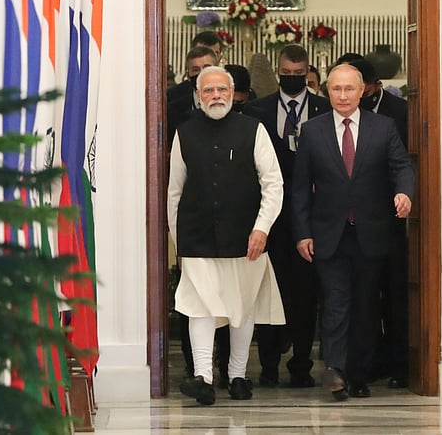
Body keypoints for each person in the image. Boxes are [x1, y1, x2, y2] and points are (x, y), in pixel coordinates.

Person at [291, 63, 414, 401]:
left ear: (362, 91)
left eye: (349, 89)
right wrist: (302, 233)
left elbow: (401, 166)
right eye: (336, 89)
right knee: (335, 303)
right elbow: (300, 188)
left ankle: (358, 374)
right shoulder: (312, 131)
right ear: (326, 91)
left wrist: (404, 193)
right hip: (328, 234)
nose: (343, 95)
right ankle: (335, 370)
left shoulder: (383, 127)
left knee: (365, 306)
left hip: (371, 232)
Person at [169, 66, 286, 405]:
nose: (216, 95)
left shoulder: (254, 129)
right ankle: (203, 377)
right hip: (197, 236)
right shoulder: (184, 133)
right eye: (208, 90)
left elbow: (273, 184)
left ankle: (237, 375)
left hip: (246, 237)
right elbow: (174, 191)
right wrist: (178, 241)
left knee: (241, 307)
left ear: (233, 94)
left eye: (222, 89)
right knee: (199, 306)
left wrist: (262, 228)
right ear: (198, 96)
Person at [244, 44, 330, 388]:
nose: (292, 79)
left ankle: (301, 364)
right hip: (270, 220)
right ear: (278, 72)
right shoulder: (257, 111)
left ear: (307, 73)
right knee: (268, 292)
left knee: (306, 296)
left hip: (313, 218)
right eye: (286, 74)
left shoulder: (324, 109)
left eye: (298, 74)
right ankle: (268, 365)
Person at [348, 59, 409, 388]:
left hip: (391, 219)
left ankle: (400, 364)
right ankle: (368, 363)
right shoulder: (338, 116)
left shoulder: (398, 113)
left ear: (371, 86)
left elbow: (404, 163)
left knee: (395, 296)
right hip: (352, 223)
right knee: (363, 298)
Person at [167, 45, 218, 149]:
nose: (201, 73)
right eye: (195, 70)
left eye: (207, 68)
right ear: (188, 75)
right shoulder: (173, 110)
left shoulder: (228, 103)